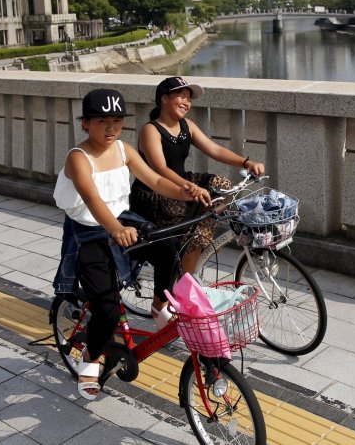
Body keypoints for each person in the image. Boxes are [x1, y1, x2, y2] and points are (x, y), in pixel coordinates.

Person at [51, 88, 207, 400]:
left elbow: (157, 181)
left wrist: (187, 190)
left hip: (123, 219)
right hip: (89, 232)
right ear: (85, 123)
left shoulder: (123, 149)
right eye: (102, 122)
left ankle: (158, 305)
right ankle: (89, 359)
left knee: (168, 251)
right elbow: (93, 200)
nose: (110, 128)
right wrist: (116, 229)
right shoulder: (77, 158)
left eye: (117, 121)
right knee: (107, 311)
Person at [131, 76, 265, 275]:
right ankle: (187, 273)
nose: (186, 102)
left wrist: (246, 162)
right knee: (196, 235)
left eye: (189, 99)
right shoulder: (151, 130)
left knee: (222, 185)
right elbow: (160, 169)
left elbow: (215, 149)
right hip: (157, 194)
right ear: (163, 99)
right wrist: (189, 186)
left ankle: (198, 243)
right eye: (181, 96)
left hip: (182, 184)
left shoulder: (187, 125)